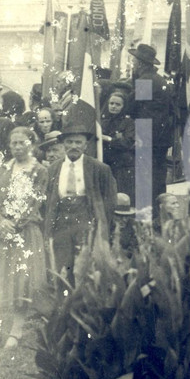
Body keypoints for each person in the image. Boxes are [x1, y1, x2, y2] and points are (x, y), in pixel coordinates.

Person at [0, 126, 48, 349]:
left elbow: (36, 201)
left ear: (31, 144)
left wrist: (15, 224)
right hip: (0, 232)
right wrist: (0, 221)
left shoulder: (39, 171)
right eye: (14, 143)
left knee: (22, 280)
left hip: (25, 232)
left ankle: (16, 330)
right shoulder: (2, 169)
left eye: (23, 142)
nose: (18, 147)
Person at [44, 120, 117, 286]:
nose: (74, 146)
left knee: (85, 266)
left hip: (86, 221)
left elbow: (110, 200)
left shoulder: (99, 168)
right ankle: (64, 303)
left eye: (78, 142)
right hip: (60, 223)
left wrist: (100, 223)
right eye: (69, 142)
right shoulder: (53, 169)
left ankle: (84, 305)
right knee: (62, 266)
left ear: (85, 145)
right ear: (63, 144)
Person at [126, 43, 175, 221]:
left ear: (140, 63)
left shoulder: (146, 81)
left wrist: (133, 82)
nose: (133, 64)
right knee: (158, 179)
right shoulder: (159, 80)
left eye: (134, 61)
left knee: (146, 181)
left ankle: (147, 218)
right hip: (161, 137)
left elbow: (131, 107)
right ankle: (160, 217)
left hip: (147, 135)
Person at [100, 90, 136, 198]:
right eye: (111, 103)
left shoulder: (129, 123)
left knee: (120, 195)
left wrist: (108, 139)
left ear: (123, 106)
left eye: (118, 104)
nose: (114, 107)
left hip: (121, 165)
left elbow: (127, 143)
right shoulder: (103, 122)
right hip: (105, 162)